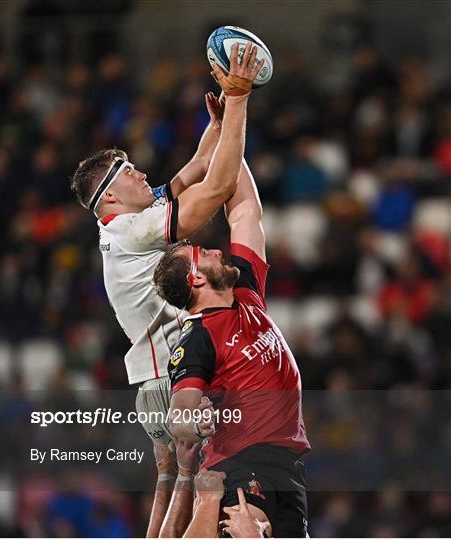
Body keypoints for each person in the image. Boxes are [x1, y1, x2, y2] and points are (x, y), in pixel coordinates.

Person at [70, 42, 264, 537]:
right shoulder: (134, 229)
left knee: (169, 482)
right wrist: (240, 100)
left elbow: (196, 167)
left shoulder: (122, 225)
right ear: (109, 195)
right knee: (195, 485)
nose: (141, 172)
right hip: (171, 377)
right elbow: (216, 190)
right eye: (128, 171)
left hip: (151, 380)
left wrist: (218, 124)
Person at [153, 157, 311, 537]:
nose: (216, 251)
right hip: (241, 463)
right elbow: (180, 415)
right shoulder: (197, 338)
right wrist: (193, 423)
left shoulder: (247, 295)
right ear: (195, 278)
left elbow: (245, 213)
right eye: (203, 254)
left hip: (287, 467)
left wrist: (229, 137)